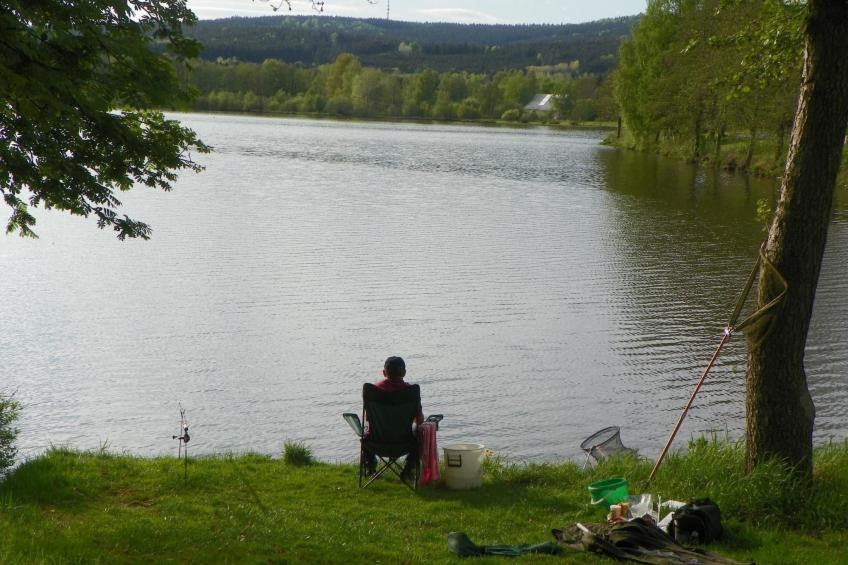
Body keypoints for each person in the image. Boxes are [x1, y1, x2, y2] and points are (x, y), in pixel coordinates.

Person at [364, 356, 423, 479]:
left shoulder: (373, 391)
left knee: (364, 431)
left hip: (376, 443)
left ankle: (371, 468)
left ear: (384, 373)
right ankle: (408, 469)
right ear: (404, 373)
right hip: (405, 443)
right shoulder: (411, 392)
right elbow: (419, 420)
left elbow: (368, 419)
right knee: (422, 432)